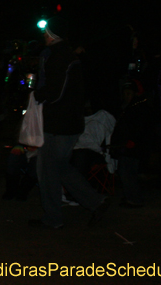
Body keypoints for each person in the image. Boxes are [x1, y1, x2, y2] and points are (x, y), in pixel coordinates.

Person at [29, 16, 110, 229]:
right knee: (60, 167)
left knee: (47, 170)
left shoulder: (59, 56)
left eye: (46, 33)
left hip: (58, 124)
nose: (44, 36)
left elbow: (55, 92)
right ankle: (96, 202)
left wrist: (37, 95)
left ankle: (53, 217)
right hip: (68, 122)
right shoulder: (66, 55)